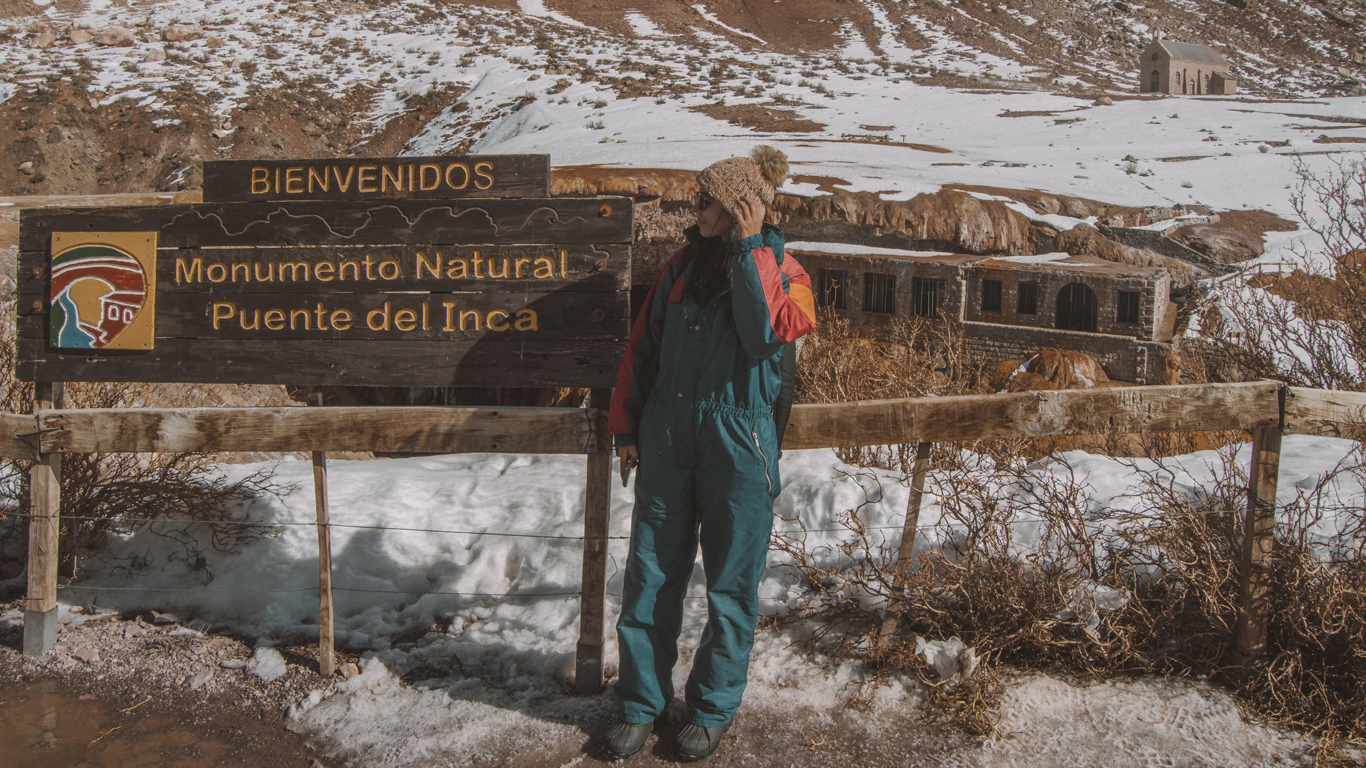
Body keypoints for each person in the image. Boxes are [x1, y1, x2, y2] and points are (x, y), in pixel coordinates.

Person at [604, 147, 817, 761]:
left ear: (736, 208)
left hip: (740, 446)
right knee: (650, 575)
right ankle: (641, 704)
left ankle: (712, 706)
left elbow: (766, 332)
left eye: (706, 200)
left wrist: (752, 251)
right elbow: (640, 351)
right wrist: (627, 429)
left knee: (731, 585)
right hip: (669, 438)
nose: (693, 208)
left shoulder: (790, 274)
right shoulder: (678, 270)